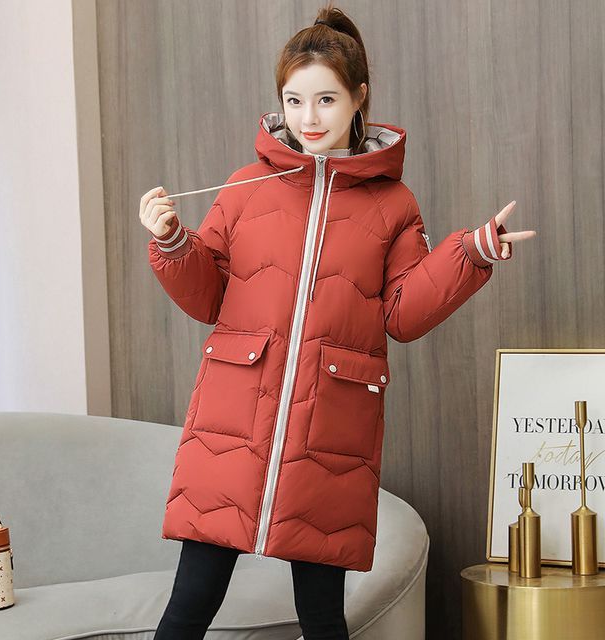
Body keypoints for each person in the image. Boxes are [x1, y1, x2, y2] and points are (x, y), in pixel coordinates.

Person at [139, 4, 536, 639]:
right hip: (232, 422)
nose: (309, 118)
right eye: (294, 101)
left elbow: (403, 313)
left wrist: (471, 254)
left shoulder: (393, 204)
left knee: (322, 615)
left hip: (330, 430)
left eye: (325, 100)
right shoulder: (244, 188)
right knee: (190, 605)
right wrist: (171, 243)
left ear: (359, 98)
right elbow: (207, 298)